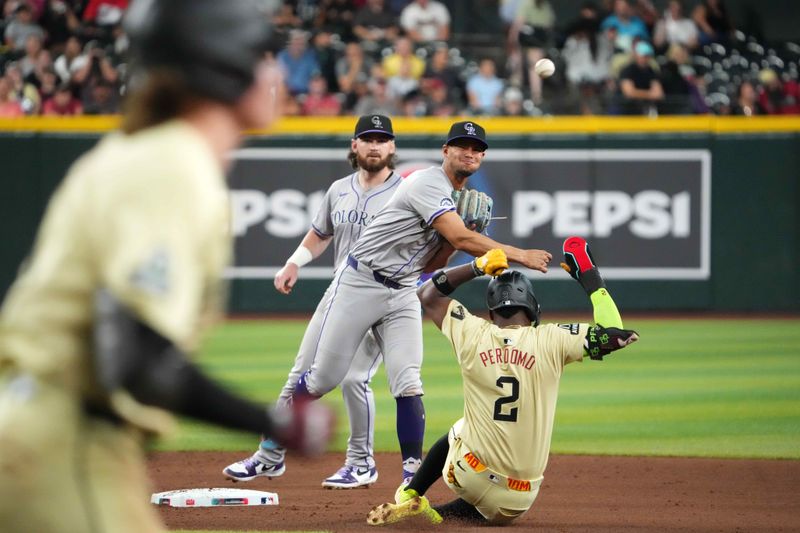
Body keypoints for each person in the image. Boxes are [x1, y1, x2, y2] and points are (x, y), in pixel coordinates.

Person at [0, 1, 333, 532]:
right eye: (261, 55)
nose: (275, 72)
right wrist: (270, 421)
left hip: (45, 435)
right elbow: (133, 355)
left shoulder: (144, 154)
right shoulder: (174, 166)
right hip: (65, 448)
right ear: (224, 70)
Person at [279, 120, 551, 487]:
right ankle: (271, 436)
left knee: (408, 382)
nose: (468, 152)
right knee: (324, 377)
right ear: (445, 151)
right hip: (361, 281)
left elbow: (433, 264)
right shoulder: (427, 182)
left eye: (475, 148)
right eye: (460, 146)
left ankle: (411, 472)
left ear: (482, 157)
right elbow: (458, 234)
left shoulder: (456, 200)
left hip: (403, 288)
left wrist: (460, 237)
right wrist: (518, 253)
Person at [366, 238, 639, 526]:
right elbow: (616, 335)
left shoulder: (471, 332)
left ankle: (410, 495)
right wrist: (589, 277)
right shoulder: (553, 338)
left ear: (492, 311)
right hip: (521, 498)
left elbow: (428, 294)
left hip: (470, 475)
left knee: (461, 429)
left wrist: (477, 266)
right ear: (533, 308)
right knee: (496, 495)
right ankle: (440, 516)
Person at [223, 115, 403, 489]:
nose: (374, 145)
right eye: (367, 138)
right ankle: (270, 457)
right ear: (355, 145)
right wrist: (294, 262)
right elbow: (321, 233)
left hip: (383, 293)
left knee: (354, 378)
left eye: (381, 139)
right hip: (340, 291)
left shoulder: (407, 193)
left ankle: (361, 462)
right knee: (300, 372)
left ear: (392, 147)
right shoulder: (339, 189)